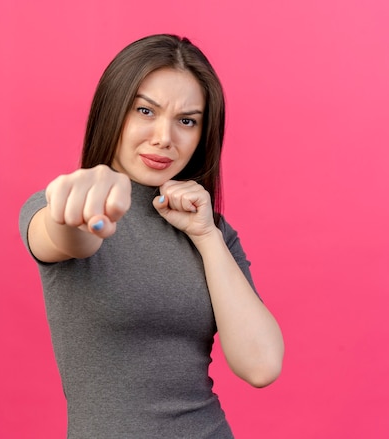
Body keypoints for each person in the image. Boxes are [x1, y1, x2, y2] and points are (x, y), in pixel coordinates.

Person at [19, 34, 284, 439]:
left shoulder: (213, 233)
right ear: (113, 111)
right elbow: (69, 234)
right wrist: (84, 205)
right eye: (146, 110)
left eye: (186, 120)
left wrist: (206, 236)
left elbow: (261, 365)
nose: (165, 137)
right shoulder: (67, 205)